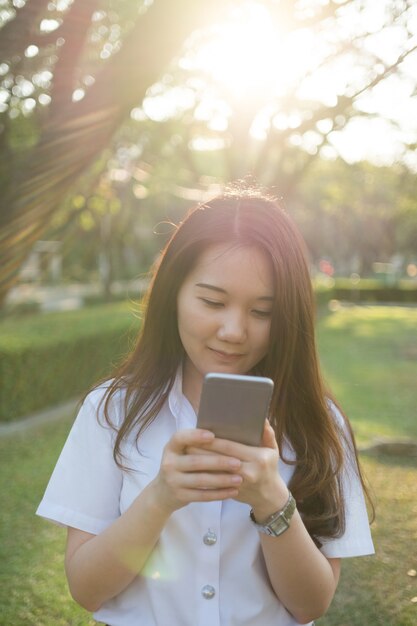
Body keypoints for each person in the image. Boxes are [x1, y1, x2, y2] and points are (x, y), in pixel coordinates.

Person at [37, 186, 374, 626]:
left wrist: (272, 500)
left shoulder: (318, 424)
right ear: (172, 293)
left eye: (263, 311)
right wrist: (160, 497)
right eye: (213, 302)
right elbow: (86, 589)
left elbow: (311, 604)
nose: (234, 331)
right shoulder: (112, 411)